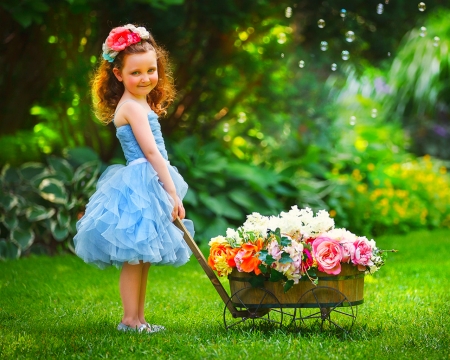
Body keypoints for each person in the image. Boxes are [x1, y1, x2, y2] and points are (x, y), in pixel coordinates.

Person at [74, 24, 194, 334]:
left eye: (150, 70)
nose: (145, 78)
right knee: (134, 256)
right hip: (143, 180)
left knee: (144, 257)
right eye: (135, 72)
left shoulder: (139, 103)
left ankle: (139, 319)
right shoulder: (131, 107)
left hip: (148, 180)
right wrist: (172, 193)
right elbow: (153, 153)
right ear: (117, 74)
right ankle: (129, 319)